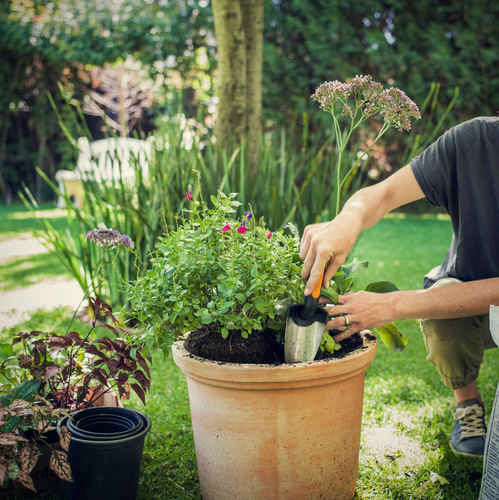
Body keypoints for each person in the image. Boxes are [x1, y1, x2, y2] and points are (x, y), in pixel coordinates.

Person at [299, 116, 499, 457]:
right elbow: (385, 193)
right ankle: (467, 403)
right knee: (443, 311)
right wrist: (349, 218)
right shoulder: (475, 141)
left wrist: (391, 305)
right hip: (472, 303)